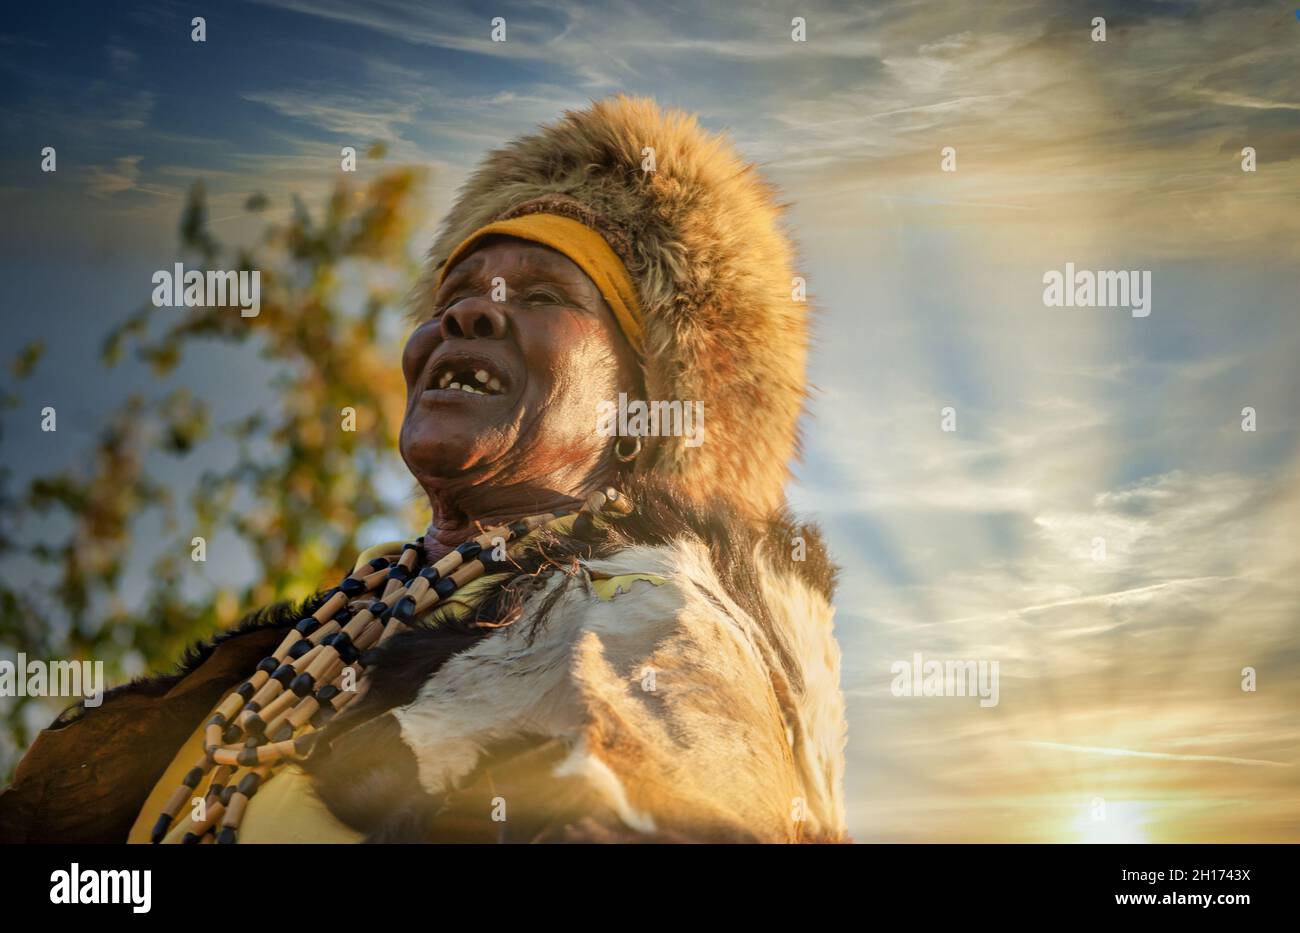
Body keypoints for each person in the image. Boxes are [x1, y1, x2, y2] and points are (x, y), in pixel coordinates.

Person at [0, 96, 845, 843]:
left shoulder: (674, 629)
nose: (471, 311)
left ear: (640, 414)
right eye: (453, 298)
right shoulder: (296, 656)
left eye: (544, 294)